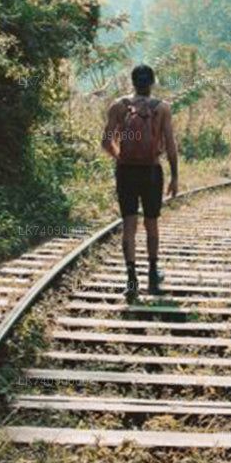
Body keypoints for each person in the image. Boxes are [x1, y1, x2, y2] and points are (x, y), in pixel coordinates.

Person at [100, 64, 179, 298]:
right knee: (151, 223)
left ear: (132, 82)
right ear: (152, 83)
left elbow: (106, 141)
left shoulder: (118, 106)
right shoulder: (162, 108)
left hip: (126, 173)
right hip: (151, 171)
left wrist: (121, 157)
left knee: (129, 225)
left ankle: (131, 280)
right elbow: (171, 144)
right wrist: (174, 176)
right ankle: (153, 277)